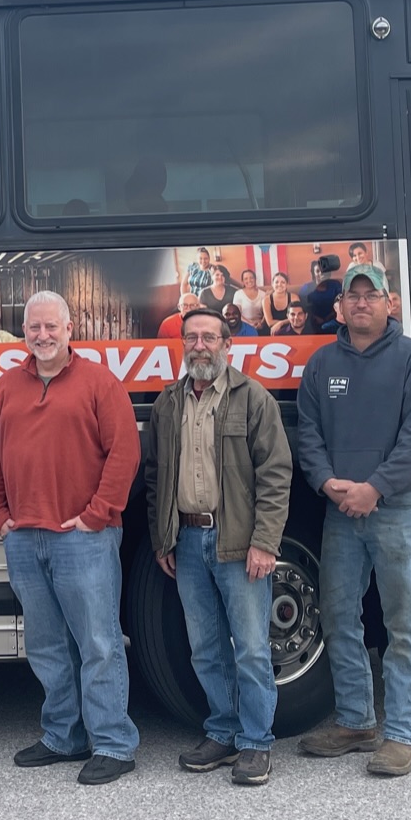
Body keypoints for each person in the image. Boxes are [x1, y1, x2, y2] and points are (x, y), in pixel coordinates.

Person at [0, 291, 141, 785]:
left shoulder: (99, 382)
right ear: (23, 332)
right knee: (47, 644)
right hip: (25, 538)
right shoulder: (8, 385)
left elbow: (125, 454)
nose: (43, 336)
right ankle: (63, 736)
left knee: (98, 642)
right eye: (34, 328)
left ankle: (113, 743)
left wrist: (97, 516)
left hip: (83, 539)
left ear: (70, 329)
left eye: (52, 327)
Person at [294, 263, 411, 778]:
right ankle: (357, 721)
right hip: (341, 512)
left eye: (370, 294)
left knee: (403, 623)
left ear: (388, 302)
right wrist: (326, 483)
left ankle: (402, 736)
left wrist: (375, 487)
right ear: (340, 307)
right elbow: (307, 433)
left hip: (397, 509)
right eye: (352, 295)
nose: (361, 303)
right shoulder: (321, 365)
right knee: (338, 618)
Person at [145, 307, 293, 786]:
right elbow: (154, 479)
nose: (200, 346)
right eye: (192, 338)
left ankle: (256, 742)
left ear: (227, 344)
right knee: (206, 648)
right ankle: (224, 731)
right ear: (182, 345)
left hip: (238, 544)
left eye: (209, 337)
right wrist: (162, 537)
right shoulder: (168, 403)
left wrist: (265, 543)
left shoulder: (253, 399)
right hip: (187, 542)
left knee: (250, 648)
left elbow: (275, 475)